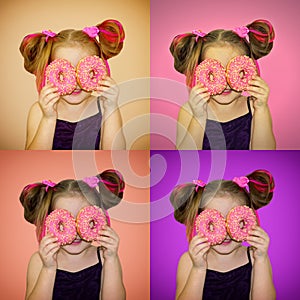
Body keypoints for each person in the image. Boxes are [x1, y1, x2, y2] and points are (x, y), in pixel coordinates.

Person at [19, 169, 126, 300]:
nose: (75, 232)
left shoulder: (105, 258)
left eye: (83, 220)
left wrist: (111, 258)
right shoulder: (40, 261)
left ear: (97, 220)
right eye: (64, 222)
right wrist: (49, 269)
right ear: (50, 222)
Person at [170, 170, 276, 300]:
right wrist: (198, 269)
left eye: (235, 221)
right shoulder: (190, 261)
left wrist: (261, 259)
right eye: (214, 223)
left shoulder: (256, 258)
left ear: (248, 220)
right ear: (200, 221)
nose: (226, 232)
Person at [19, 20, 125, 150]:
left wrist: (111, 108)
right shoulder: (40, 111)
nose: (75, 82)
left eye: (84, 72)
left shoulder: (104, 107)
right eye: (65, 73)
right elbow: (33, 162)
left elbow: (115, 157)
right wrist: (49, 118)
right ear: (50, 72)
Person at [170, 19, 276, 150]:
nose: (226, 82)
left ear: (248, 70)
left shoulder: (255, 108)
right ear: (200, 72)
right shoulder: (190, 110)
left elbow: (264, 154)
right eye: (214, 73)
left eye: (234, 71)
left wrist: (261, 108)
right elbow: (185, 159)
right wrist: (199, 117)